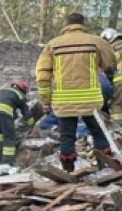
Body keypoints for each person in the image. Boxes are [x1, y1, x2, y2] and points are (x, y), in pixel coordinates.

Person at [36, 13, 116, 173]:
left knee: (67, 137)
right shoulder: (96, 41)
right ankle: (105, 170)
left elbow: (42, 76)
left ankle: (68, 172)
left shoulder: (53, 44)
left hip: (63, 100)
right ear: (83, 24)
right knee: (98, 133)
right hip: (91, 99)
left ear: (65, 24)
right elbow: (110, 62)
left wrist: (45, 99)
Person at [0, 80, 33, 165]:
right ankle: (6, 163)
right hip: (4, 111)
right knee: (9, 138)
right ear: (22, 90)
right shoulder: (19, 94)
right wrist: (31, 124)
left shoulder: (1, 90)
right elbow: (25, 112)